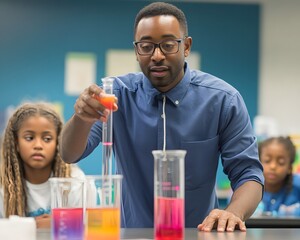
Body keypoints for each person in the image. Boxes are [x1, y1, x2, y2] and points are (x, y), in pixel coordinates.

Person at [60, 2, 264, 232]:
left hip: (198, 235)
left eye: (168, 45)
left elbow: (249, 174)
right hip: (131, 235)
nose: (157, 55)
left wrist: (233, 212)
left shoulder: (223, 100)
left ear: (186, 46)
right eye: (146, 46)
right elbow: (69, 153)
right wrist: (81, 118)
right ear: (137, 50)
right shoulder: (114, 97)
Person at [0, 102, 84, 228]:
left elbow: (87, 228)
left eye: (47, 139)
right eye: (29, 138)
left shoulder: (75, 181)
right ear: (16, 143)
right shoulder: (3, 185)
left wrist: (57, 224)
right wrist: (32, 225)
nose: (38, 145)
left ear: (58, 143)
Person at [254, 136, 300, 216]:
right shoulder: (249, 186)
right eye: (267, 161)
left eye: (281, 162)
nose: (273, 166)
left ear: (289, 167)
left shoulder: (297, 186)